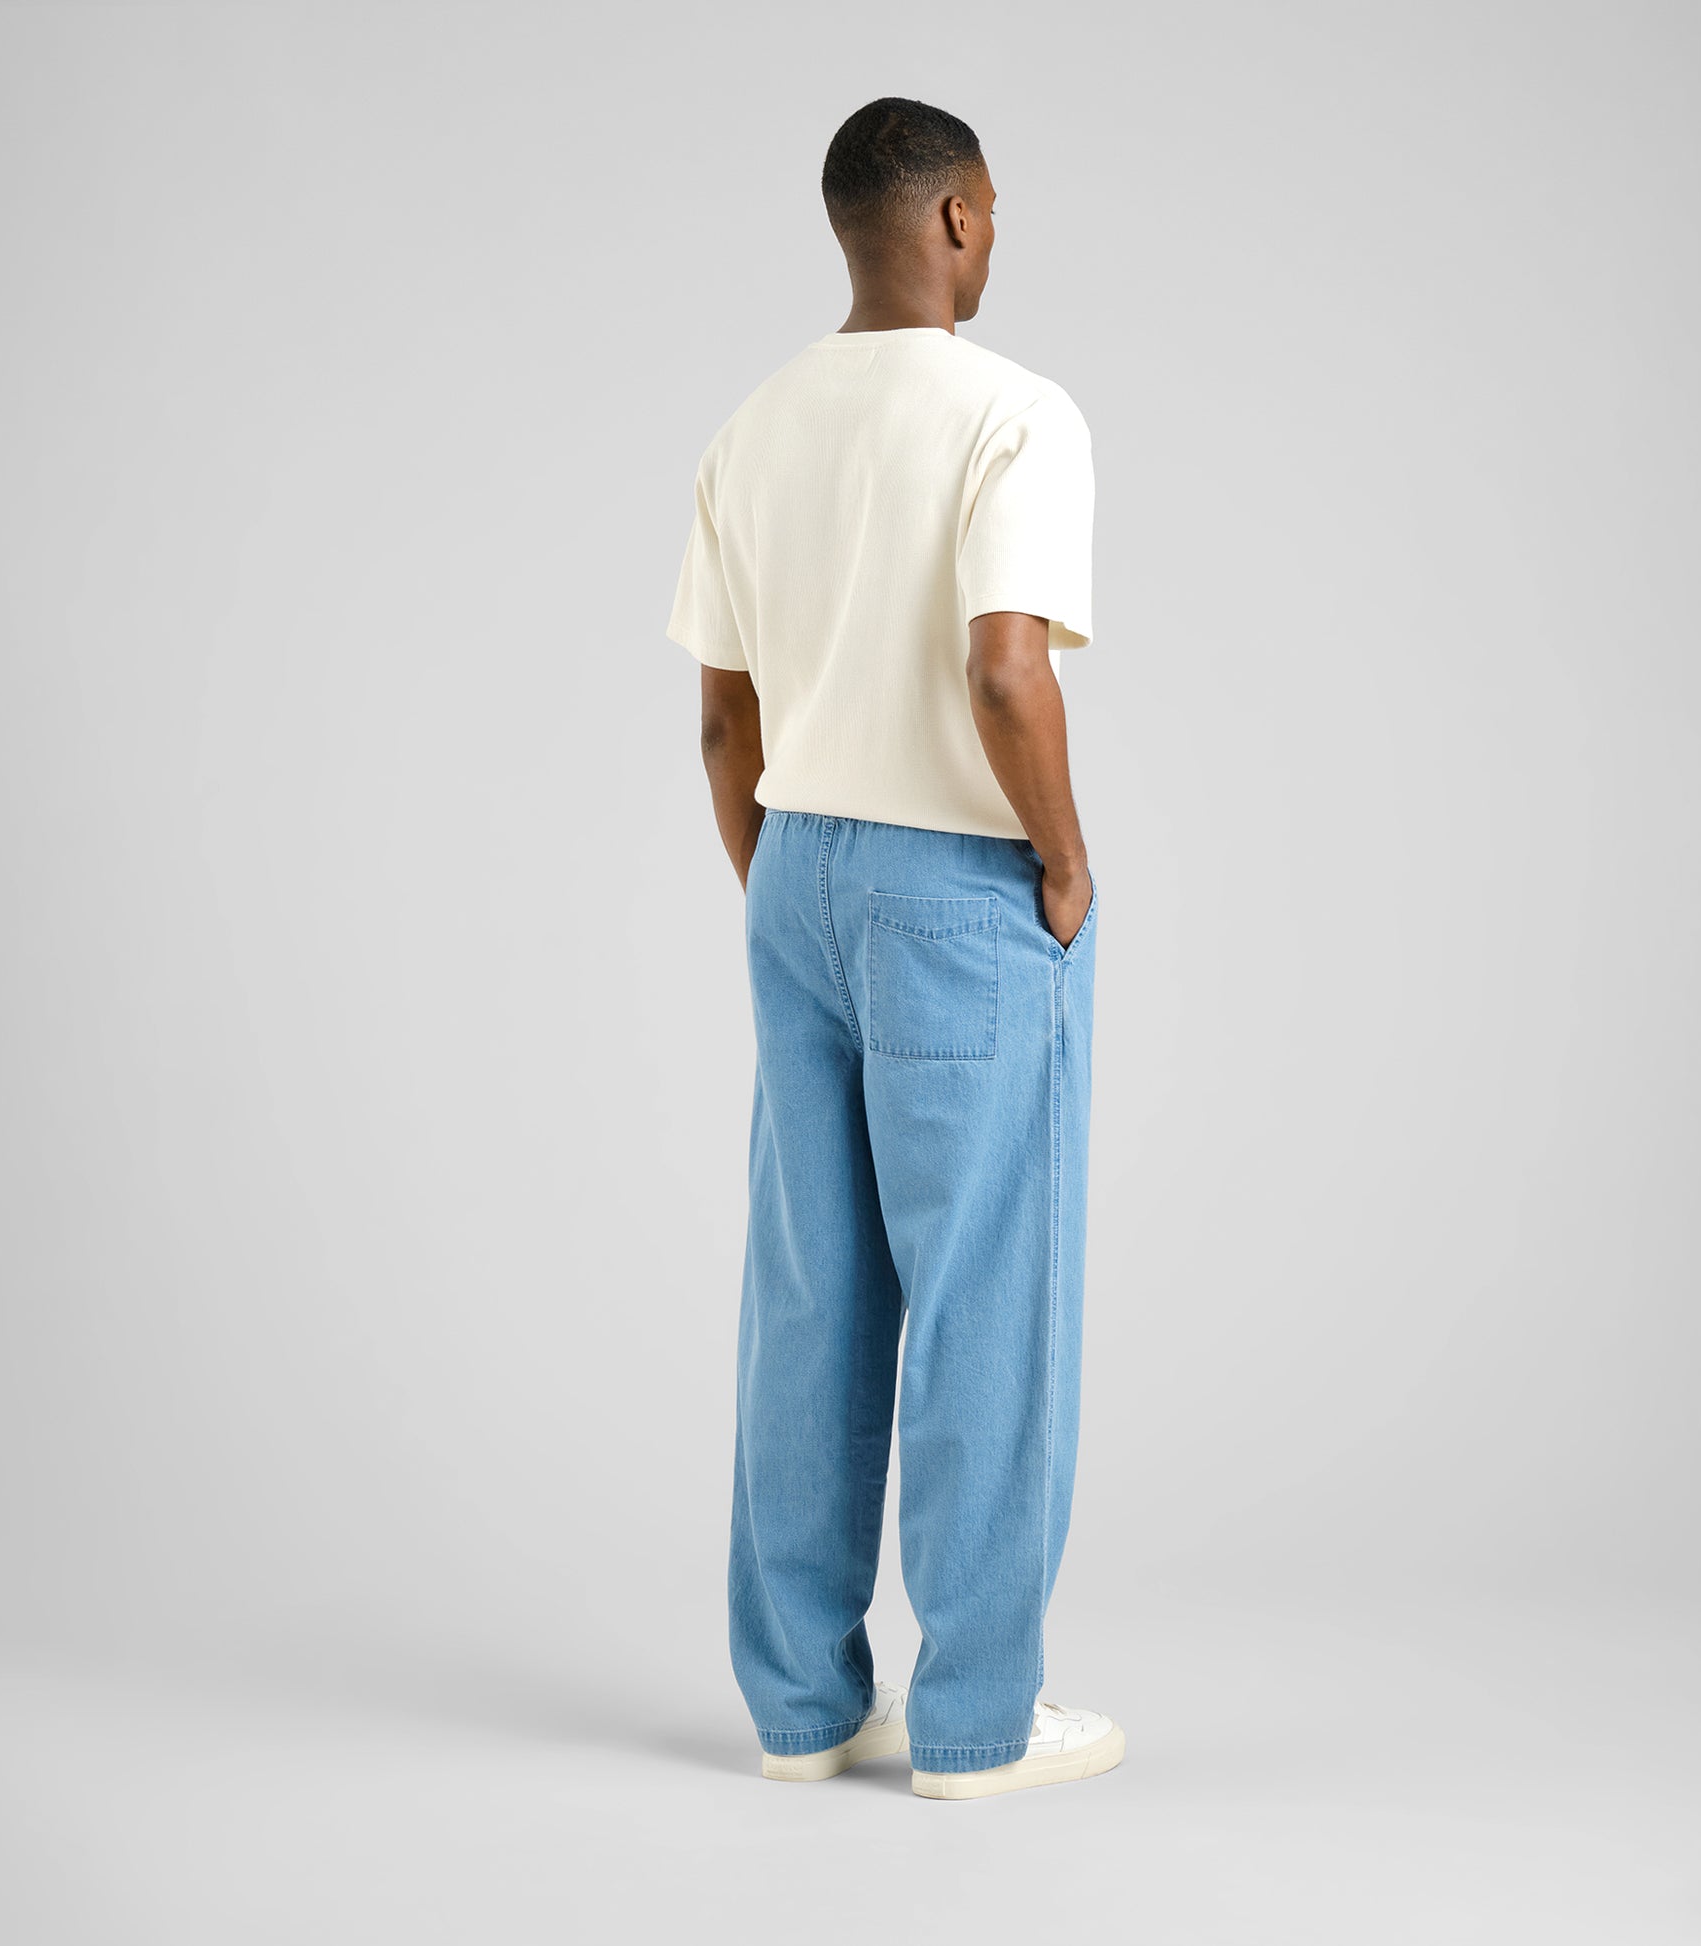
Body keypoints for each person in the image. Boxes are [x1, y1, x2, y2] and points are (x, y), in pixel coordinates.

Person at [665, 96, 1121, 1802]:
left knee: (812, 1293)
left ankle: (801, 1707)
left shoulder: (751, 427)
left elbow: (724, 723)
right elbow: (1007, 670)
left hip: (795, 866)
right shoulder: (1015, 415)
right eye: (990, 209)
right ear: (949, 218)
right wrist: (1060, 862)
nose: (994, 235)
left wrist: (785, 891)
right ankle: (976, 1721)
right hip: (957, 879)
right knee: (985, 1291)